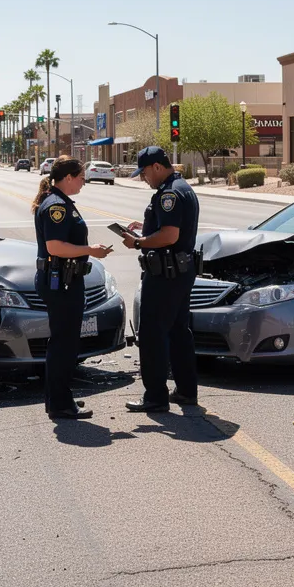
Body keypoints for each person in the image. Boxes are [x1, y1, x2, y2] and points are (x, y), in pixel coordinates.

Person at [32, 157, 113, 420]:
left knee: (63, 342)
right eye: (81, 177)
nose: (83, 182)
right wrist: (91, 250)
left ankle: (58, 399)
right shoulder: (57, 206)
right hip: (61, 282)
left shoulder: (60, 202)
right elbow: (55, 246)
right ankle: (60, 404)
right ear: (68, 177)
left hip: (63, 280)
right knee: (64, 344)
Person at [120, 146, 201, 413]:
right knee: (179, 332)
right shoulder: (182, 187)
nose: (144, 178)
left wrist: (139, 242)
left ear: (157, 166)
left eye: (144, 173)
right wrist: (143, 228)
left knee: (153, 334)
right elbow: (167, 228)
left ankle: (155, 396)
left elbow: (169, 235)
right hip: (180, 272)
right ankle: (187, 391)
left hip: (165, 274)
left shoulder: (169, 194)